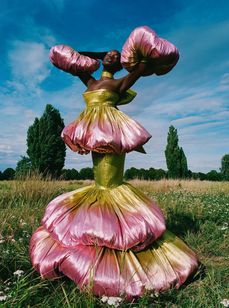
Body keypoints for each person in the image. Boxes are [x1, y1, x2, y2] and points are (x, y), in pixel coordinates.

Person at [30, 28, 199, 299]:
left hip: (112, 131)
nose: (110, 56)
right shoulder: (91, 82)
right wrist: (96, 56)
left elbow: (141, 68)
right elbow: (71, 59)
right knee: (99, 184)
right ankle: (97, 232)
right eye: (107, 54)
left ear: (120, 62)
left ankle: (118, 243)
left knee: (110, 184)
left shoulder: (119, 84)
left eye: (114, 55)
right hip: (92, 128)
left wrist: (131, 59)